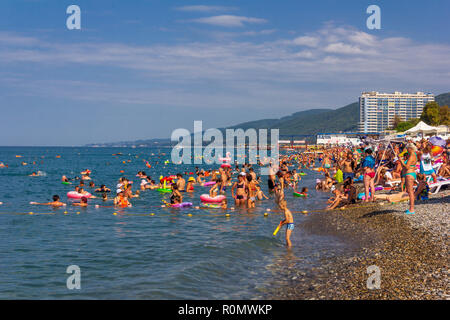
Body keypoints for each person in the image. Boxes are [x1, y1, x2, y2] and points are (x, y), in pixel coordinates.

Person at [399, 143, 418, 214]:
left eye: (407, 149)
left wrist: (401, 161)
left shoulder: (412, 155)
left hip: (409, 174)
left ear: (410, 148)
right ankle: (411, 208)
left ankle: (412, 209)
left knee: (410, 192)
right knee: (410, 191)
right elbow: (407, 166)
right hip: (410, 173)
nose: (407, 150)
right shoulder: (414, 155)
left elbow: (406, 167)